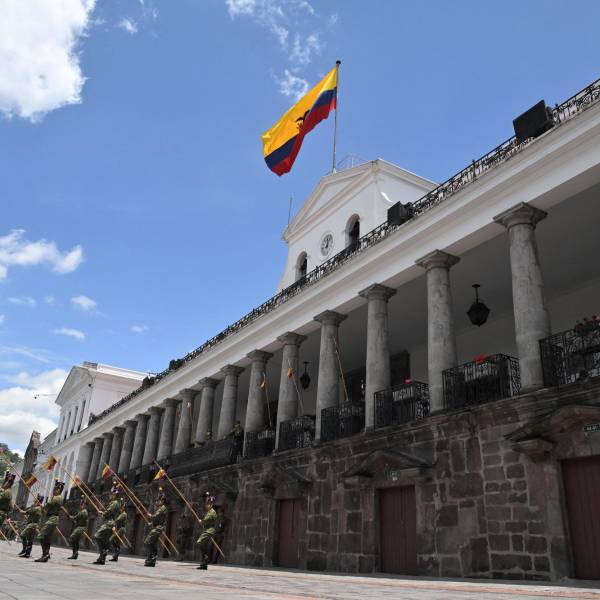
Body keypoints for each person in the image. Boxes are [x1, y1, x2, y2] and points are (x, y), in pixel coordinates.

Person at [35, 480, 64, 563]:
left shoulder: (56, 498)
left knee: (41, 536)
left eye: (55, 489)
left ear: (59, 490)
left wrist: (42, 506)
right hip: (52, 518)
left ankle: (45, 554)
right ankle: (46, 554)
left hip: (52, 519)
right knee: (47, 537)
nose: (53, 491)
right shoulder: (60, 497)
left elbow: (47, 506)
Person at [93, 483, 120, 565]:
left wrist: (102, 513)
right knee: (104, 540)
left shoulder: (114, 503)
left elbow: (109, 512)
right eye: (110, 494)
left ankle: (104, 551)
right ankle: (102, 559)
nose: (109, 496)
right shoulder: (112, 503)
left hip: (109, 523)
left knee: (97, 536)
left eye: (111, 494)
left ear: (114, 495)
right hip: (108, 522)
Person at [143, 488, 167, 567]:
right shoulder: (159, 508)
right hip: (156, 527)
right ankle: (152, 559)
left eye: (158, 500)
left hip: (158, 528)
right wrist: (151, 523)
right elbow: (156, 519)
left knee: (148, 541)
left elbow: (155, 516)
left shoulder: (162, 508)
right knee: (153, 542)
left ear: (162, 501)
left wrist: (150, 516)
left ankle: (152, 557)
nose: (156, 502)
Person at [16, 494, 43, 558]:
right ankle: (27, 553)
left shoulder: (36, 508)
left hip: (32, 524)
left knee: (22, 535)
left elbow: (28, 512)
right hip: (33, 524)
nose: (34, 502)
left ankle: (24, 549)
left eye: (36, 501)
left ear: (38, 501)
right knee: (30, 539)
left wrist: (22, 511)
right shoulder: (38, 508)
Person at [196, 494, 217, 570]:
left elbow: (205, 520)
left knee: (199, 542)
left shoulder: (212, 512)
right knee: (204, 545)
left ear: (211, 504)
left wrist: (201, 521)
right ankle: (204, 564)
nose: (206, 505)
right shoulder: (209, 512)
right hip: (206, 530)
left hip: (209, 531)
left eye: (208, 504)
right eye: (206, 504)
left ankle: (206, 557)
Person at [109, 497, 128, 562]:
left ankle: (118, 551)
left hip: (121, 529)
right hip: (119, 528)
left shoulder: (124, 514)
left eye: (121, 507)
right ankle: (116, 556)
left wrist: (112, 523)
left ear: (123, 508)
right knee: (117, 542)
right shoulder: (120, 514)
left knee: (111, 539)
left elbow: (117, 520)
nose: (120, 509)